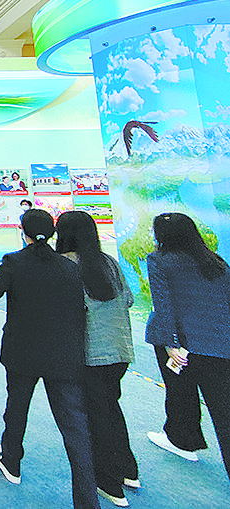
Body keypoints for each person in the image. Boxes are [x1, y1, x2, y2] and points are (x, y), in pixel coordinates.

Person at [0, 208, 98, 509]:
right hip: (62, 355)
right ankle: (87, 500)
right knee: (75, 427)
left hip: (22, 352)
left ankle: (11, 461)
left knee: (16, 408)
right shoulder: (70, 268)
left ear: (22, 231)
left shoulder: (14, 262)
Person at [56, 210, 139, 504]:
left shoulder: (66, 264)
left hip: (90, 354)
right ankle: (128, 470)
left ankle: (108, 481)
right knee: (110, 407)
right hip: (119, 351)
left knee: (95, 415)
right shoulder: (109, 262)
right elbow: (128, 300)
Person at [144, 212, 230, 480]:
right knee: (223, 410)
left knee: (180, 393)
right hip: (219, 346)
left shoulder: (159, 260)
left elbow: (164, 305)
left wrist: (171, 343)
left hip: (180, 346)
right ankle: (181, 440)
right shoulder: (216, 262)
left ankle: (182, 441)